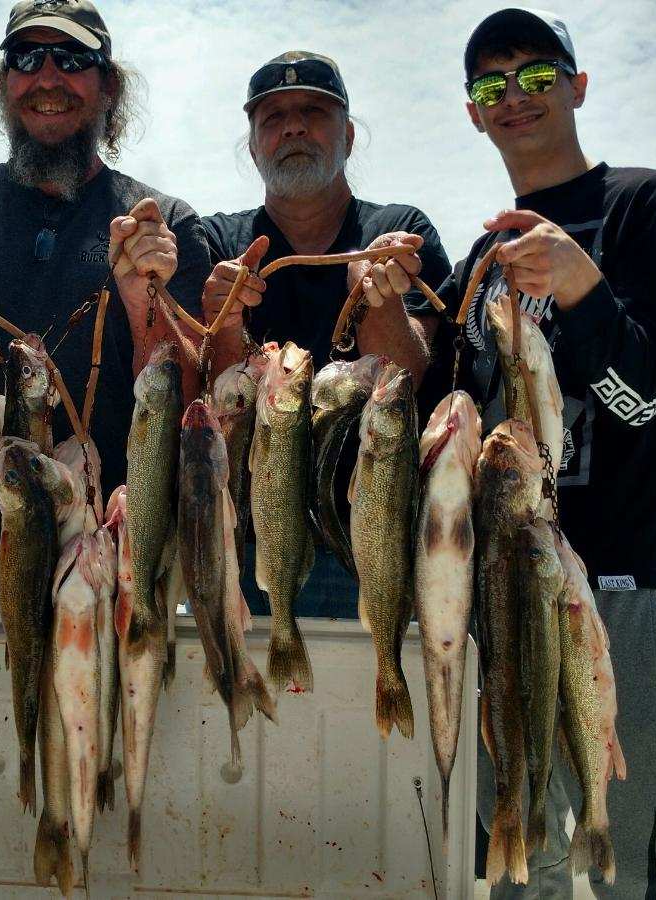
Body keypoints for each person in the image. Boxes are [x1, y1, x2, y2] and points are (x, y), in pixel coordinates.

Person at [417, 8, 656, 897]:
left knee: (638, 846)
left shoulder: (648, 208)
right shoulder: (480, 258)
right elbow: (454, 421)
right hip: (502, 590)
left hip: (613, 588)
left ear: (578, 87)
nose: (515, 97)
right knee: (520, 845)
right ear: (472, 113)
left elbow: (649, 401)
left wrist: (583, 289)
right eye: (491, 84)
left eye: (538, 76)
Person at [0, 0, 208, 506]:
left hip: (107, 543)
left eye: (74, 58)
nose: (49, 77)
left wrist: (145, 304)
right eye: (27, 57)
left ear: (109, 87)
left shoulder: (165, 224)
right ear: (4, 82)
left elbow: (192, 401)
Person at [198, 50, 452, 616]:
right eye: (272, 117)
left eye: (314, 111)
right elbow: (210, 392)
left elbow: (408, 377)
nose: (293, 126)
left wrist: (378, 306)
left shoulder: (400, 231)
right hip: (249, 540)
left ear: (349, 135)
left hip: (374, 536)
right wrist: (226, 320)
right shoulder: (218, 241)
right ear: (253, 145)